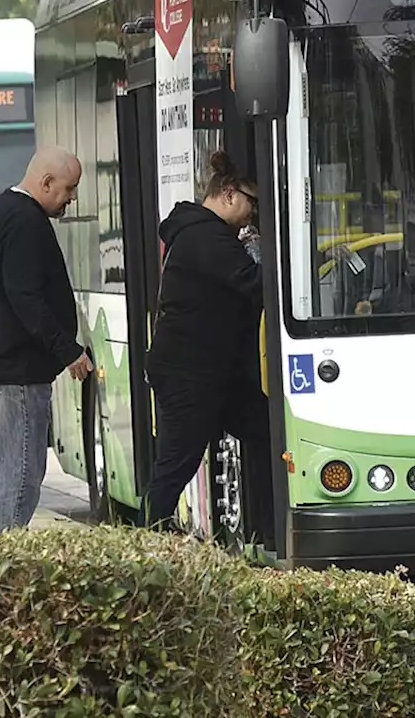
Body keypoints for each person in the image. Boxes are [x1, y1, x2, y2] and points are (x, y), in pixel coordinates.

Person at [144, 150, 273, 545]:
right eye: (252, 204)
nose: (253, 215)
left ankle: (265, 531)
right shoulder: (206, 237)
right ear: (230, 193)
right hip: (191, 373)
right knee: (177, 460)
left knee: (265, 432)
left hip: (213, 371)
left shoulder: (202, 233)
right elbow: (253, 284)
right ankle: (147, 536)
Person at [0, 145, 93, 535]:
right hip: (17, 371)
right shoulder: (25, 220)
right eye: (68, 189)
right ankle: (5, 558)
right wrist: (67, 349)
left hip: (2, 366)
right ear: (46, 182)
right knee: (21, 476)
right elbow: (27, 298)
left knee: (6, 474)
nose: (71, 198)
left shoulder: (1, 211)